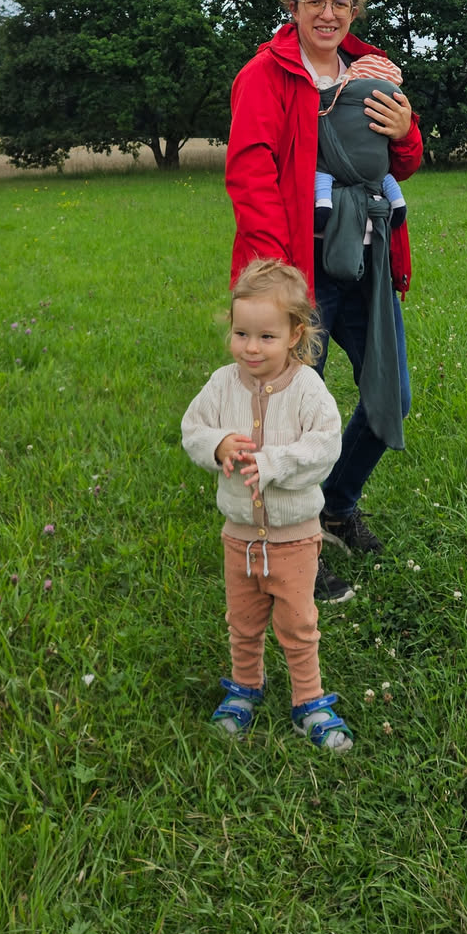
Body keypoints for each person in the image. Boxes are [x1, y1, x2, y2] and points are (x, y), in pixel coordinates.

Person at [225, 0, 423, 605]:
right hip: (297, 269)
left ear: (354, 9)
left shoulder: (369, 71)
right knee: (290, 418)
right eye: (316, 1)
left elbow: (396, 163)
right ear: (294, 6)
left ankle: (336, 505)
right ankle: (290, 547)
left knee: (392, 392)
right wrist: (275, 278)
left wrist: (407, 132)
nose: (329, 13)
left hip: (364, 263)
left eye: (341, 2)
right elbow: (250, 174)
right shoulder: (266, 75)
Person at [180, 258, 353, 751]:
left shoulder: (308, 389)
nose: (251, 348)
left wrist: (273, 462)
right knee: (243, 621)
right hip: (239, 537)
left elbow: (325, 446)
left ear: (295, 334)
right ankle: (245, 688)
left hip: (294, 537)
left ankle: (309, 701)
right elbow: (192, 429)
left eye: (266, 337)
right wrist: (217, 445)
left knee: (298, 623)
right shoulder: (221, 384)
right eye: (241, 334)